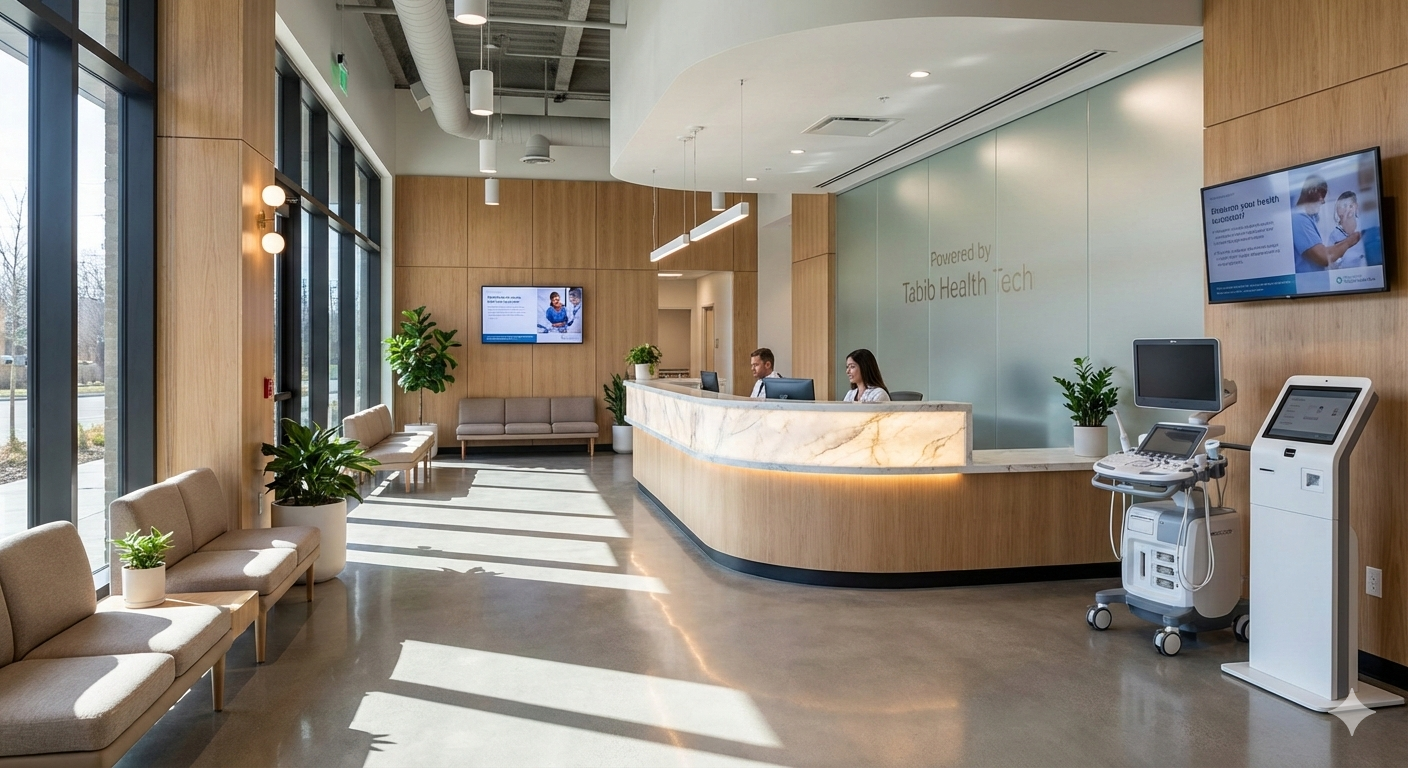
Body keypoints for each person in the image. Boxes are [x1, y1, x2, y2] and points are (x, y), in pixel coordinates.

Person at [1292, 175, 1361, 271]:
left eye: (1350, 206)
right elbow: (1324, 257)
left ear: (1355, 206)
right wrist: (1350, 240)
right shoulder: (1299, 220)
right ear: (1311, 191)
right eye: (1322, 195)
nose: (1323, 201)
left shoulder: (1309, 219)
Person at [1328, 191, 1366, 269]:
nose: (1346, 210)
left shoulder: (1365, 226)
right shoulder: (1334, 236)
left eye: (1350, 206)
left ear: (1356, 206)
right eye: (1341, 206)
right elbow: (1331, 264)